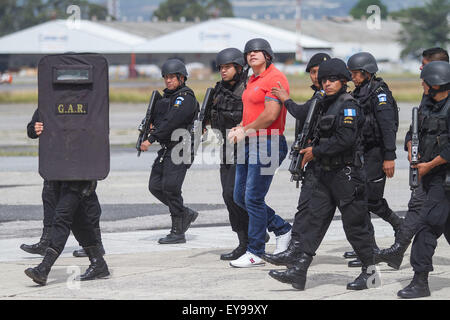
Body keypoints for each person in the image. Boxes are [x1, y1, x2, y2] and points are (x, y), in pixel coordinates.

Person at [267, 58, 377, 291]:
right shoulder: (322, 104)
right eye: (324, 79)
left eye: (333, 79)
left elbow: (345, 140)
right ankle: (299, 271)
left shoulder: (349, 105)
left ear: (343, 81)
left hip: (346, 175)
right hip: (323, 174)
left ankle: (370, 273)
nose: (327, 83)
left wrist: (314, 152)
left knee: (355, 227)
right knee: (312, 223)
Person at [375, 48, 449, 269]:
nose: (420, 69)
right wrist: (409, 145)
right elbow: (417, 127)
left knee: (425, 215)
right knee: (434, 215)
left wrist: (430, 165)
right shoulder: (430, 94)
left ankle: (400, 253)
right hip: (427, 167)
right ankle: (399, 251)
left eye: (424, 65)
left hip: (440, 170)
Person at [261, 53, 331, 267]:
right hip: (317, 161)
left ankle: (370, 254)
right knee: (305, 208)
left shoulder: (332, 96)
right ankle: (295, 252)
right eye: (311, 72)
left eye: (317, 72)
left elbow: (302, 113)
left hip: (333, 164)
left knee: (354, 215)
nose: (314, 76)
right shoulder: (319, 94)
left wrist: (285, 99)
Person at [227, 38, 292, 268]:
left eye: (257, 51)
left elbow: (271, 114)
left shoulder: (275, 77)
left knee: (253, 197)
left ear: (267, 55)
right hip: (250, 141)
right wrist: (241, 126)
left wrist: (244, 130)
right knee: (240, 196)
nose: (252, 54)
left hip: (269, 142)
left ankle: (255, 252)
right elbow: (253, 111)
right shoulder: (252, 79)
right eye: (248, 52)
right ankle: (282, 229)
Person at [343, 52, 402, 268]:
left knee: (370, 200)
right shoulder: (360, 92)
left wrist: (389, 156)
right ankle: (369, 247)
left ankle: (400, 227)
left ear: (366, 73)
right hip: (362, 153)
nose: (352, 77)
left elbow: (387, 127)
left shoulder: (380, 95)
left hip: (377, 154)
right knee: (361, 199)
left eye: (355, 74)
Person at [20, 109, 105, 258]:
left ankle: (96, 244)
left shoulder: (84, 104)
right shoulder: (48, 103)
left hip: (79, 160)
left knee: (87, 200)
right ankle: (45, 241)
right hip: (55, 160)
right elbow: (31, 129)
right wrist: (35, 129)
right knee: (49, 195)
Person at [397, 61, 450, 299]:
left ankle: (420, 282)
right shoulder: (427, 104)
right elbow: (413, 132)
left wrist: (429, 165)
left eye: (425, 81)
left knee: (426, 227)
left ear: (435, 83)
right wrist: (410, 145)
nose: (422, 84)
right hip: (430, 177)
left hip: (444, 179)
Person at [140, 59, 199, 244]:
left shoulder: (185, 98)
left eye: (172, 77)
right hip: (167, 149)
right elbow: (161, 120)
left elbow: (172, 121)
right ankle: (185, 213)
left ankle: (177, 232)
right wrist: (149, 127)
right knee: (155, 186)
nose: (168, 81)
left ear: (182, 78)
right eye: (166, 77)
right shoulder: (166, 99)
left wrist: (151, 138)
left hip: (181, 147)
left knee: (171, 188)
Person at [205, 48, 251, 260]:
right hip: (226, 148)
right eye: (221, 68)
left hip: (246, 148)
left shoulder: (247, 89)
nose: (223, 71)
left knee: (239, 195)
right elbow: (208, 117)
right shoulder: (217, 91)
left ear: (239, 68)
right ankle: (243, 240)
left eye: (227, 67)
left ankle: (253, 238)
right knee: (228, 195)